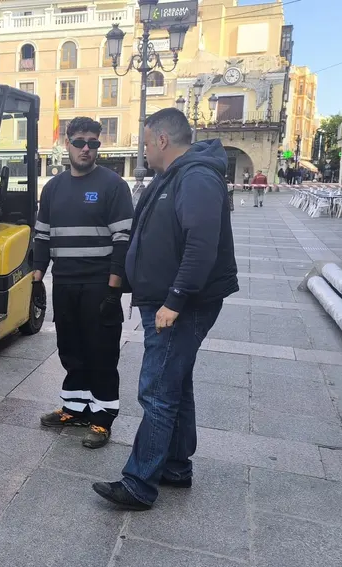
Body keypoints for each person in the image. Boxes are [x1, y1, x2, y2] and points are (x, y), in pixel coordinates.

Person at [92, 108, 238, 510]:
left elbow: (201, 244)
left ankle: (139, 483)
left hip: (181, 305)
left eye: (145, 143)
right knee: (176, 384)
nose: (143, 151)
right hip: (167, 300)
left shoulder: (196, 177)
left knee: (156, 390)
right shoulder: (173, 176)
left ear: (161, 139)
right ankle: (175, 465)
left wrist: (175, 298)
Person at [34, 117, 134, 449]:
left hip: (98, 285)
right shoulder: (53, 188)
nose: (86, 149)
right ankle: (75, 408)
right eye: (79, 142)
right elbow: (42, 237)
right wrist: (37, 280)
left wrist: (113, 289)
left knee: (101, 352)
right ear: (67, 144)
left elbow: (122, 240)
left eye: (93, 143)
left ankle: (102, 419)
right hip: (64, 283)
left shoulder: (113, 185)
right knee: (71, 349)